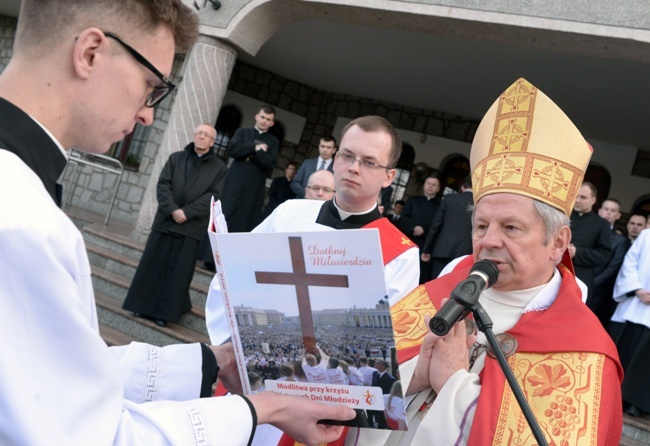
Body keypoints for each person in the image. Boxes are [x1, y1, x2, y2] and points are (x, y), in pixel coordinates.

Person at [0, 1, 356, 444]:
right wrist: (264, 408)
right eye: (151, 85)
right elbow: (86, 434)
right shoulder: (18, 221)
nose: (149, 113)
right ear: (90, 52)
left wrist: (213, 362)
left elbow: (50, 376)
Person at [362, 78, 622, 446]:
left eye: (511, 227)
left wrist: (453, 382)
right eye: (481, 225)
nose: (489, 240)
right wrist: (413, 376)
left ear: (557, 242)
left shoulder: (584, 352)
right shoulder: (431, 299)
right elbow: (344, 402)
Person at [206, 116, 419, 445]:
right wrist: (238, 350)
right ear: (335, 159)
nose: (353, 168)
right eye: (347, 156)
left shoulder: (399, 253)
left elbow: (381, 337)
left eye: (369, 162)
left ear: (389, 176)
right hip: (251, 378)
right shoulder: (290, 213)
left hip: (318, 403)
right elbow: (231, 279)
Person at [122, 124, 227, 326]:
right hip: (166, 221)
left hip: (190, 227)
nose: (202, 137)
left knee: (177, 275)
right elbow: (163, 185)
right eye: (199, 133)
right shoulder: (176, 158)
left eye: (207, 135)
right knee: (153, 266)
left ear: (213, 142)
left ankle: (164, 314)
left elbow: (212, 196)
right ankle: (141, 306)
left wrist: (186, 213)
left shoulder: (219, 168)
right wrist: (173, 210)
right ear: (194, 136)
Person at [609, 229, 650, 418]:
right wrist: (637, 289)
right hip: (634, 304)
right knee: (624, 352)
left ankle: (634, 403)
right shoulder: (646, 236)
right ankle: (611, 395)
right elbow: (630, 263)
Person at [220, 105, 279, 232]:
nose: (264, 121)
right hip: (235, 178)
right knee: (226, 211)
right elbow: (232, 150)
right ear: (256, 116)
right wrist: (254, 147)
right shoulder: (242, 132)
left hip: (255, 184)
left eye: (268, 119)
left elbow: (270, 163)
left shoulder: (273, 141)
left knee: (245, 218)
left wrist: (253, 153)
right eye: (262, 117)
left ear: (272, 123)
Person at [421, 177, 474, 279]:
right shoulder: (479, 203)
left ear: (462, 187)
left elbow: (435, 225)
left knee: (436, 285)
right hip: (465, 254)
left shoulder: (449, 199)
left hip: (442, 250)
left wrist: (427, 249)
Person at [590, 198, 631, 328]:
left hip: (598, 293)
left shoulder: (620, 241)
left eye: (612, 211)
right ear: (600, 211)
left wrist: (591, 283)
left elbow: (613, 268)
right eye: (606, 209)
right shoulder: (587, 231)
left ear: (618, 216)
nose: (608, 213)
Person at [568, 181, 612, 300]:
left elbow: (604, 255)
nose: (577, 200)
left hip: (580, 277)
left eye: (583, 197)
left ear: (593, 200)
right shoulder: (564, 215)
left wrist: (577, 252)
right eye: (576, 196)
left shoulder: (601, 224)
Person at [401, 176, 441, 284]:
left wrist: (424, 229)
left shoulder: (440, 206)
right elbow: (404, 218)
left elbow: (438, 224)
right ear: (424, 185)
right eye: (428, 183)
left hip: (426, 246)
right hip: (409, 241)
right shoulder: (413, 200)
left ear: (438, 189)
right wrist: (413, 227)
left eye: (434, 185)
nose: (430, 186)